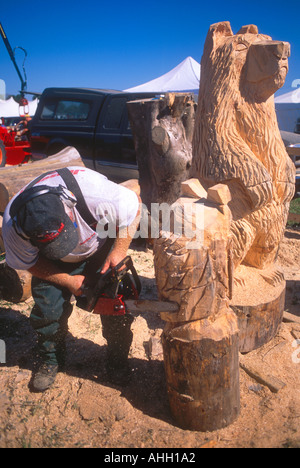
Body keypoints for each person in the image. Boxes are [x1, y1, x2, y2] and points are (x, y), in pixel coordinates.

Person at [2, 166, 141, 392]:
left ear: (68, 205)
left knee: (116, 307)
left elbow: (135, 206)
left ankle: (118, 360)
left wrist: (118, 252)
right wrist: (67, 280)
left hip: (100, 248)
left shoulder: (94, 192)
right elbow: (28, 262)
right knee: (48, 311)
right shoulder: (13, 225)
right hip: (49, 262)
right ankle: (49, 359)